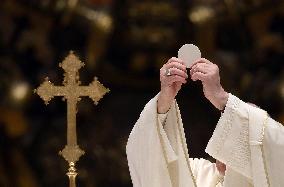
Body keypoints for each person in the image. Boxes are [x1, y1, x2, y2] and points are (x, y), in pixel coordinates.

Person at [126, 57, 284, 187]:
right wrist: (164, 101)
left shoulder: (275, 171)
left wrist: (222, 98)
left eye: (242, 130)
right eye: (229, 125)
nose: (229, 138)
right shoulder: (197, 174)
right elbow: (147, 160)